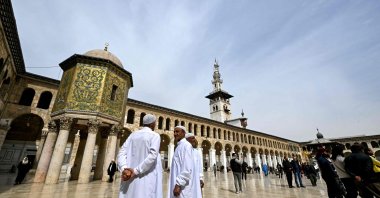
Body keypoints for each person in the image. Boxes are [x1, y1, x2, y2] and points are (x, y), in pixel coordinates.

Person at [117, 114, 162, 198]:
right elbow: (152, 156)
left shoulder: (133, 135)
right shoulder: (155, 136)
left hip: (128, 177)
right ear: (152, 124)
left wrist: (124, 169)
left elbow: (121, 152)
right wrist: (135, 171)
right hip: (145, 177)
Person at [168, 126, 194, 198]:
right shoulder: (178, 146)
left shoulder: (187, 146)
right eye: (174, 132)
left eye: (177, 132)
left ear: (183, 133)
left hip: (181, 186)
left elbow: (187, 166)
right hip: (176, 183)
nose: (175, 134)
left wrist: (179, 184)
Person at [186, 133, 204, 197]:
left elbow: (199, 166)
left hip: (196, 179)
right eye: (192, 138)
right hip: (186, 180)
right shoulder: (184, 151)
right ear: (187, 140)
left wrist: (200, 178)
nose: (194, 140)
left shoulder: (196, 152)